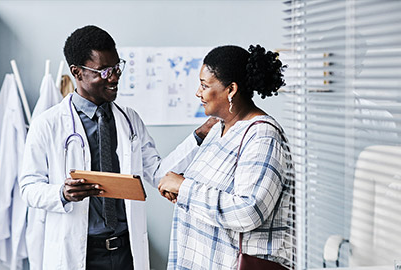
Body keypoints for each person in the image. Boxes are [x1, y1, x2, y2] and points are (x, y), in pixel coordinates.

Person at [19, 25, 216, 270]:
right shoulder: (47, 124)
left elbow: (157, 173)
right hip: (80, 252)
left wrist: (199, 135)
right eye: (103, 71)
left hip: (125, 251)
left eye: (116, 67)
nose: (113, 77)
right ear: (77, 72)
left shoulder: (129, 119)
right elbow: (28, 187)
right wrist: (61, 193)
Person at [158, 45, 295, 269]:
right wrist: (181, 190)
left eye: (204, 85)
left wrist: (185, 188)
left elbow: (249, 211)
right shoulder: (218, 129)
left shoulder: (263, 136)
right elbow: (218, 188)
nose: (198, 93)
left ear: (231, 89)